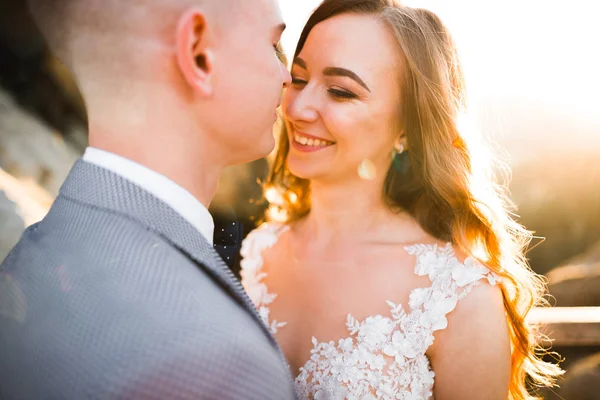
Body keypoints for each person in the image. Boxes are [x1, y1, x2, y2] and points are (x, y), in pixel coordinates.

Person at [240, 0, 563, 398]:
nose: (299, 108)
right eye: (299, 78)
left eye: (341, 92)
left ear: (407, 129)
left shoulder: (457, 296)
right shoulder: (259, 250)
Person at [0, 0, 296, 399]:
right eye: (274, 46)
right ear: (199, 54)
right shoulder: (217, 362)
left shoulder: (27, 257)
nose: (287, 76)